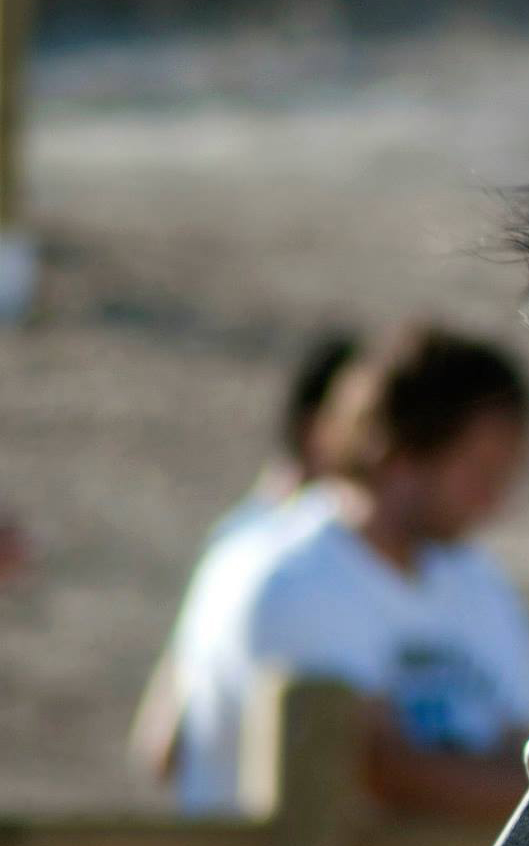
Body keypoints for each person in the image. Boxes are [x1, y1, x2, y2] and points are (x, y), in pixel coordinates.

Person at [153, 324, 529, 846]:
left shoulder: (478, 586)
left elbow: (524, 741)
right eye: (482, 466)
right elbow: (374, 770)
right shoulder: (284, 571)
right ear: (408, 446)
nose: (498, 495)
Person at [129, 331, 358, 783]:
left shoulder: (242, 533)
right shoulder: (261, 549)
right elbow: (163, 741)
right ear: (320, 428)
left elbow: (160, 748)